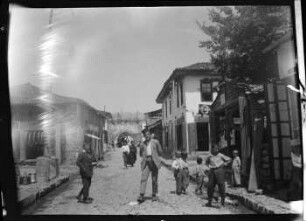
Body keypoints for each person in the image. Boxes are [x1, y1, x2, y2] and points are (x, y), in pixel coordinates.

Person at [137, 130, 163, 202]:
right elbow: (140, 154)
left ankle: (154, 195)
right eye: (145, 135)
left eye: (148, 134)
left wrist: (156, 157)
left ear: (151, 135)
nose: (147, 136)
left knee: (154, 179)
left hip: (154, 162)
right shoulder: (142, 144)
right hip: (146, 162)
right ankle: (141, 195)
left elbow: (160, 151)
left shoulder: (155, 142)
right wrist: (145, 157)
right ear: (144, 136)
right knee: (143, 178)